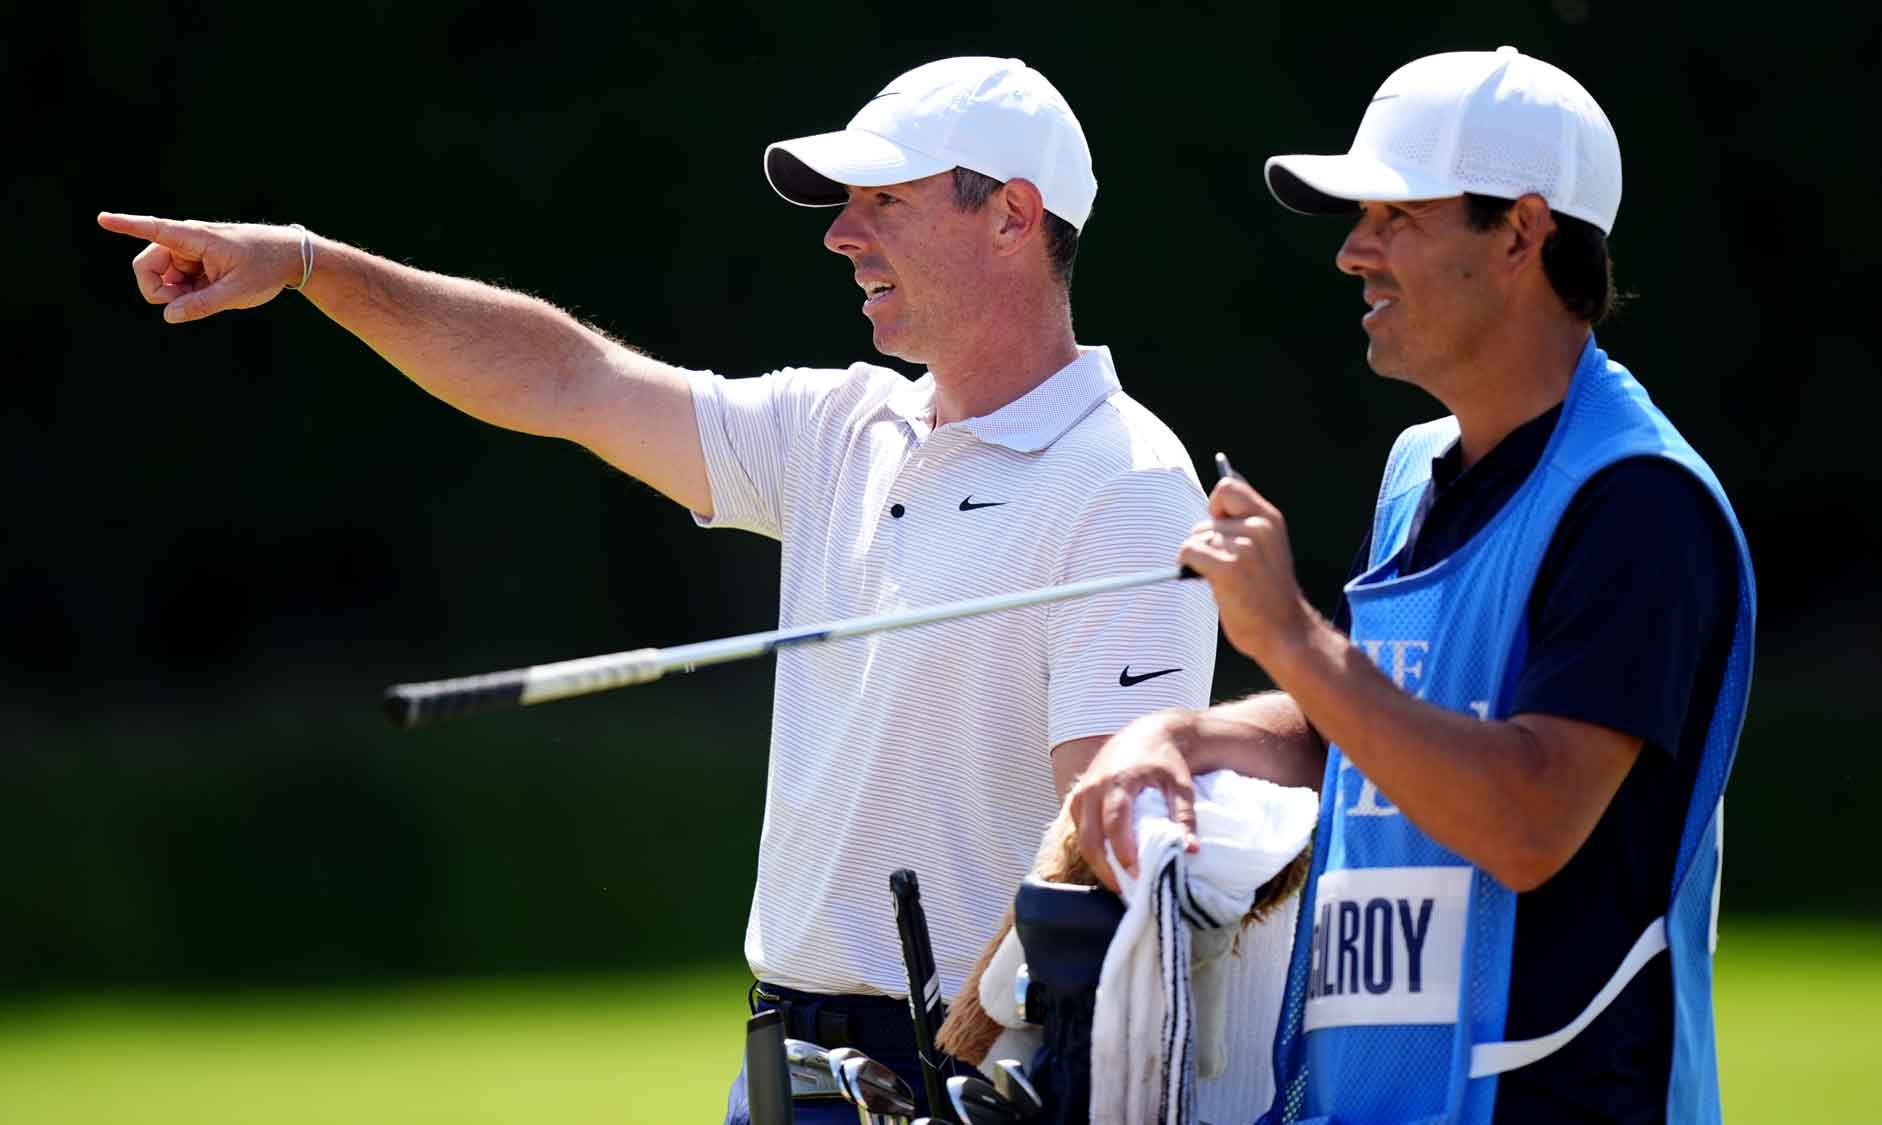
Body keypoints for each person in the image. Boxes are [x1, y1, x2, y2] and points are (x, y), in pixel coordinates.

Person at [100, 56, 1218, 1123]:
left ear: (1013, 215)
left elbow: (1103, 845)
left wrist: (969, 1056)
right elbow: (567, 375)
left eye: (883, 200)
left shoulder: (1125, 481)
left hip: (977, 1071)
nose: (840, 234)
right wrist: (308, 263)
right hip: (788, 1059)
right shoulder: (838, 424)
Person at [1066, 46, 1756, 1124]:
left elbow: (1528, 818)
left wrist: (1290, 633)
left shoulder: (1636, 500)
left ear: (1521, 232)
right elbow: (1363, 727)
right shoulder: (1413, 472)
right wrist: (1180, 740)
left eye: (1394, 217)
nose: (1351, 253)